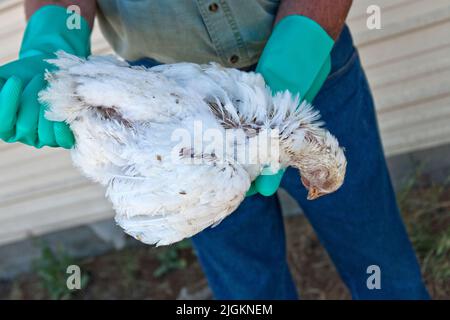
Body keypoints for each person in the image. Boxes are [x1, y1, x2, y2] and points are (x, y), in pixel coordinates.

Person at [0, 0, 430, 299]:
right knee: (245, 284)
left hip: (312, 69)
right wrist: (50, 45)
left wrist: (286, 74)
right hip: (169, 109)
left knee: (378, 254)